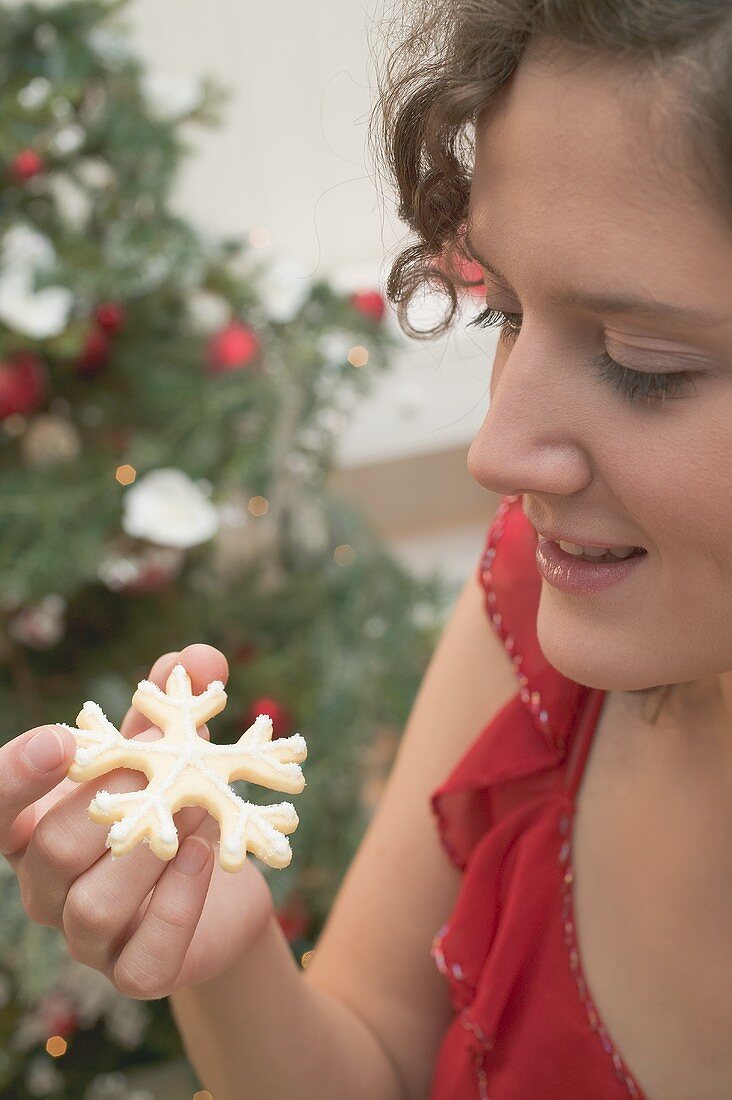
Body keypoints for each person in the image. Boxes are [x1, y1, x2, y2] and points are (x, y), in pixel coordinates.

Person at [1, 3, 731, 1097]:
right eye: (510, 314)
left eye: (643, 360)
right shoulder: (543, 603)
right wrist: (227, 950)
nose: (497, 449)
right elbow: (378, 1057)